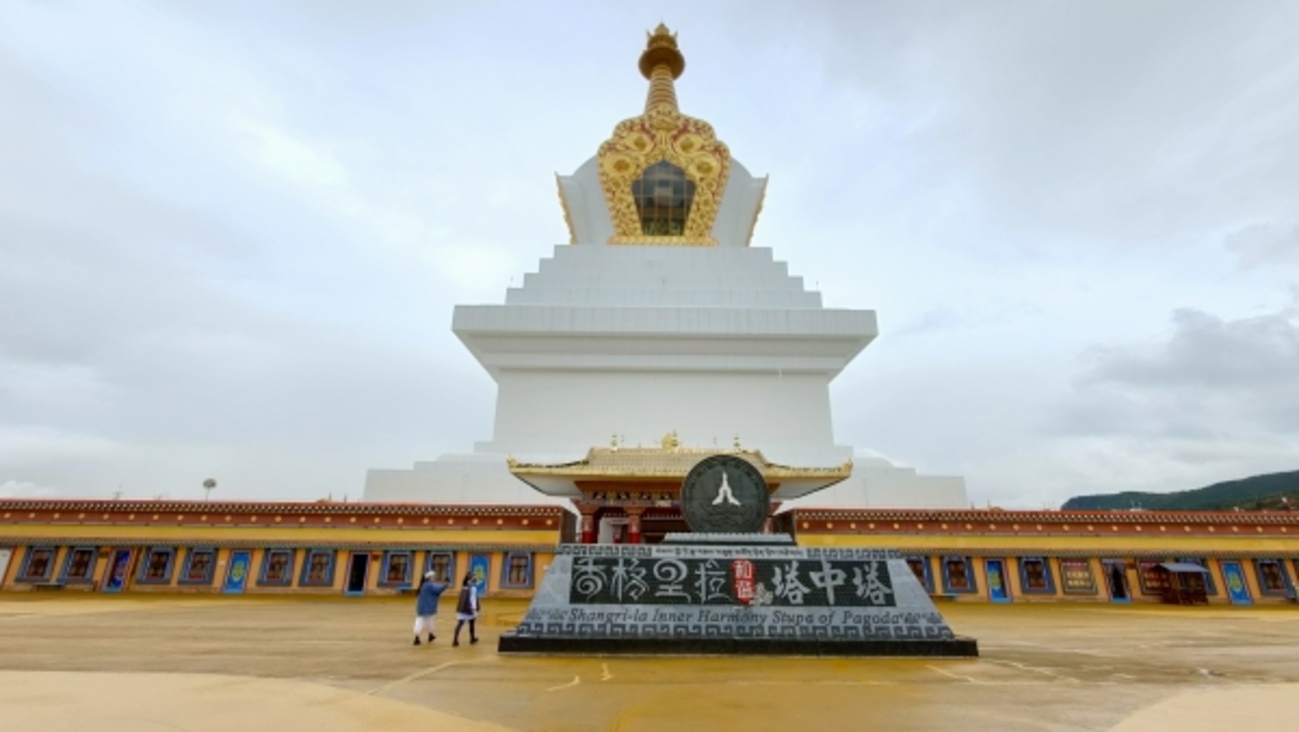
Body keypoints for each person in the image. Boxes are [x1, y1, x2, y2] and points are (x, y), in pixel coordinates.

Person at [412, 570, 449, 646]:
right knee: (429, 622)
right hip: (429, 607)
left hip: (421, 607)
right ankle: (425, 636)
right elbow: (438, 590)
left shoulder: (424, 585)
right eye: (433, 576)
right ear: (429, 577)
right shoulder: (430, 585)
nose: (434, 578)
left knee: (421, 621)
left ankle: (424, 636)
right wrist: (446, 584)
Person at [452, 571, 480, 646]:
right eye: (474, 576)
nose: (475, 578)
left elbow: (462, 599)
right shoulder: (472, 588)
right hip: (469, 608)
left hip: (463, 608)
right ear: (471, 578)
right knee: (471, 623)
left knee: (460, 623)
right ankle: (472, 639)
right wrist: (474, 608)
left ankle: (455, 640)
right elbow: (473, 599)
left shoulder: (464, 586)